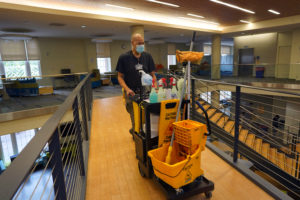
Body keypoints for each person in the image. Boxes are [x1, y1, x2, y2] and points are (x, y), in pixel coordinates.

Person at [116, 33, 157, 135]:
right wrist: (127, 89)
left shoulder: (147, 56)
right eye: (139, 43)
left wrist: (155, 86)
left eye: (142, 43)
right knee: (135, 117)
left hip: (147, 92)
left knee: (146, 116)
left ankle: (138, 131)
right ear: (132, 43)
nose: (141, 45)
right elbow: (120, 77)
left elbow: (153, 75)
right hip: (131, 93)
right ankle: (136, 135)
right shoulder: (124, 58)